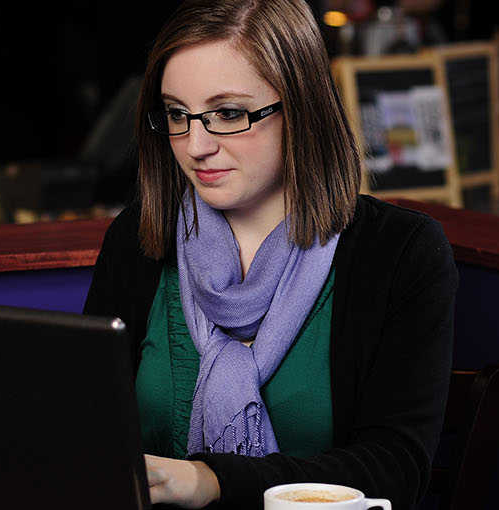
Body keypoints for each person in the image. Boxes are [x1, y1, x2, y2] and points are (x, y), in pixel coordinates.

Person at [83, 0, 457, 508]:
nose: (195, 145)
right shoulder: (137, 238)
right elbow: (87, 433)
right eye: (177, 114)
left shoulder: (400, 253)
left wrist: (210, 481)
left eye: (229, 113)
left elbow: (395, 469)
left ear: (302, 108)